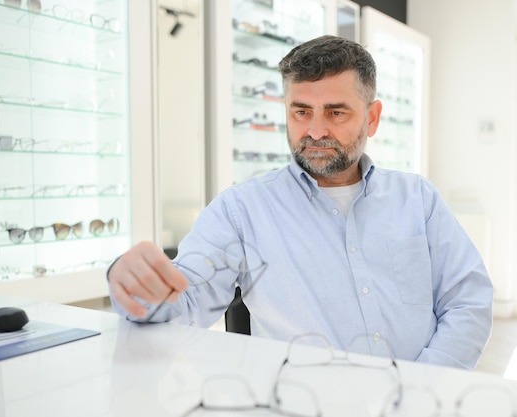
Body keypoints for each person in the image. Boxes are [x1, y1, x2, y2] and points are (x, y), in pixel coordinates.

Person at [107, 35, 493, 369]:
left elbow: (468, 301)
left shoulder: (417, 200)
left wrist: (419, 387)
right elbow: (183, 302)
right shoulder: (241, 210)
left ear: (372, 118)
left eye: (336, 112)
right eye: (301, 111)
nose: (316, 130)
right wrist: (135, 287)